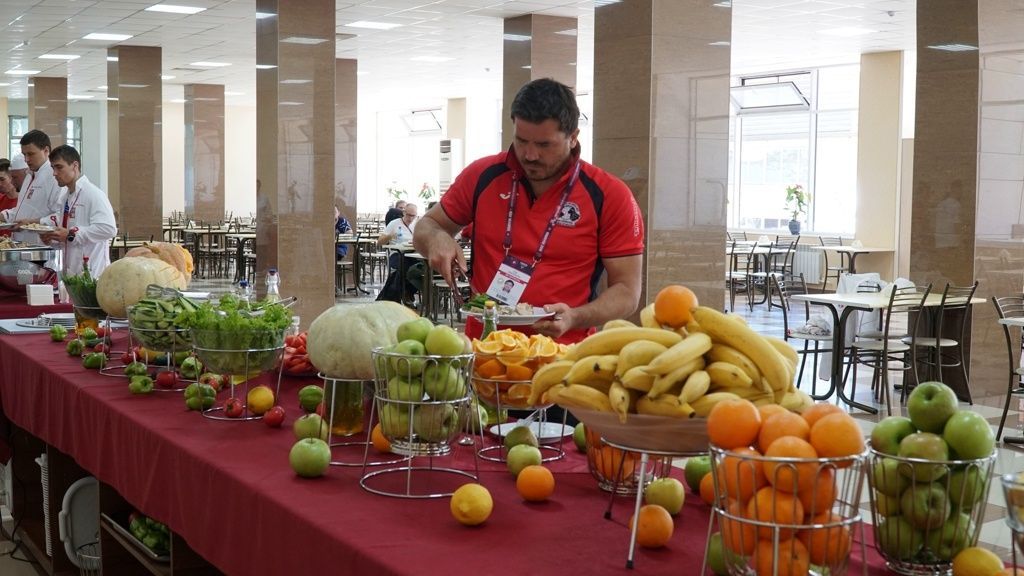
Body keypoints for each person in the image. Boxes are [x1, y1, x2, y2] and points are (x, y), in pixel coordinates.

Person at [413, 78, 645, 343]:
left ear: (573, 137)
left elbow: (627, 291)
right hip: (486, 348)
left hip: (562, 353)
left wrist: (575, 316)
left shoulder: (609, 194)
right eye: (521, 141)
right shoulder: (483, 175)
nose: (530, 155)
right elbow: (426, 226)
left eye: (544, 145)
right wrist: (436, 237)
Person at [38, 145, 117, 277]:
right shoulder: (65, 197)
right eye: (53, 168)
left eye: (59, 167)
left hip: (92, 275)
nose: (54, 173)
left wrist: (71, 235)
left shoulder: (93, 194)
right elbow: (68, 235)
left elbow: (109, 229)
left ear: (75, 166)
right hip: (71, 273)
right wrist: (53, 238)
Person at [2, 130, 65, 244]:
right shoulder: (30, 175)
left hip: (41, 246)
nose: (26, 159)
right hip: (23, 243)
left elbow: (61, 215)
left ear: (46, 151)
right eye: (24, 154)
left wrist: (34, 222)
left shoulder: (54, 177)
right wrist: (4, 216)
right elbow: (24, 210)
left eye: (31, 154)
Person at [375, 203, 419, 305]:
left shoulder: (417, 225)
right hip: (397, 254)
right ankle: (400, 294)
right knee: (405, 266)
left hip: (413, 254)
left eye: (413, 216)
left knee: (420, 267)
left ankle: (407, 292)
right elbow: (379, 242)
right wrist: (390, 236)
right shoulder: (394, 224)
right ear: (404, 213)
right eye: (408, 215)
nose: (410, 218)